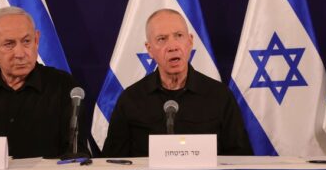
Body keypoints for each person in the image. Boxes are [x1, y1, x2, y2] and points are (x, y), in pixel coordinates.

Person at [102, 8, 253, 157]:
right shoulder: (131, 99)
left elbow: (241, 159)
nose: (173, 46)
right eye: (162, 39)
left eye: (179, 36)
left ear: (190, 41)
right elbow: (112, 163)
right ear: (149, 49)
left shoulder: (220, 96)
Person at [0, 6, 88, 158]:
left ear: (36, 40)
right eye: (9, 44)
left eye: (26, 41)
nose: (20, 54)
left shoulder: (64, 87)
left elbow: (75, 153)